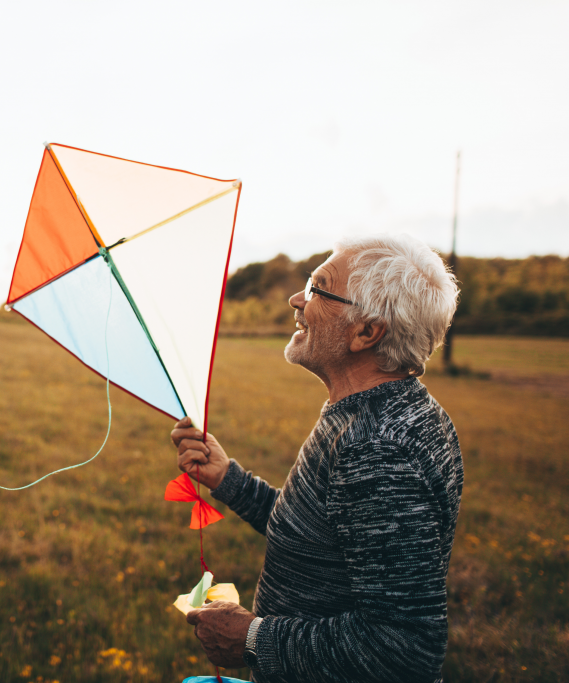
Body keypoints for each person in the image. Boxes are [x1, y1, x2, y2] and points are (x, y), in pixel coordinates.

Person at [173, 234, 463, 683]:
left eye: (316, 287)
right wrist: (227, 478)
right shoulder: (378, 410)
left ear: (366, 331)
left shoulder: (377, 448)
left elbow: (404, 650)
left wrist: (253, 638)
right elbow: (316, 536)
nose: (296, 300)